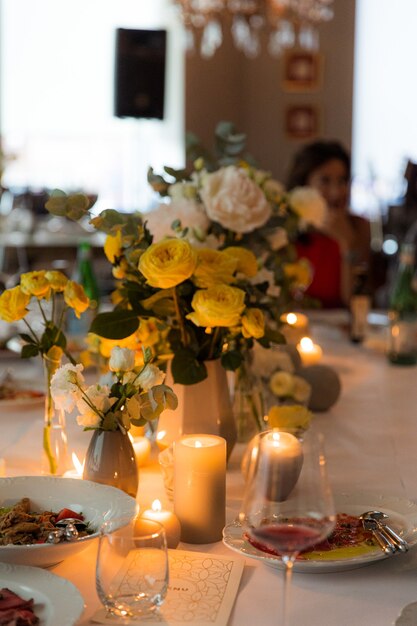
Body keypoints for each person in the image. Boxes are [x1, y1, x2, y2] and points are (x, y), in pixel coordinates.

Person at [286, 140, 371, 308]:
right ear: (304, 184)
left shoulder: (359, 226)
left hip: (339, 329)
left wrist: (347, 244)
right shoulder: (286, 228)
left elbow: (356, 304)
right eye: (325, 181)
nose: (337, 192)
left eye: (342, 181)